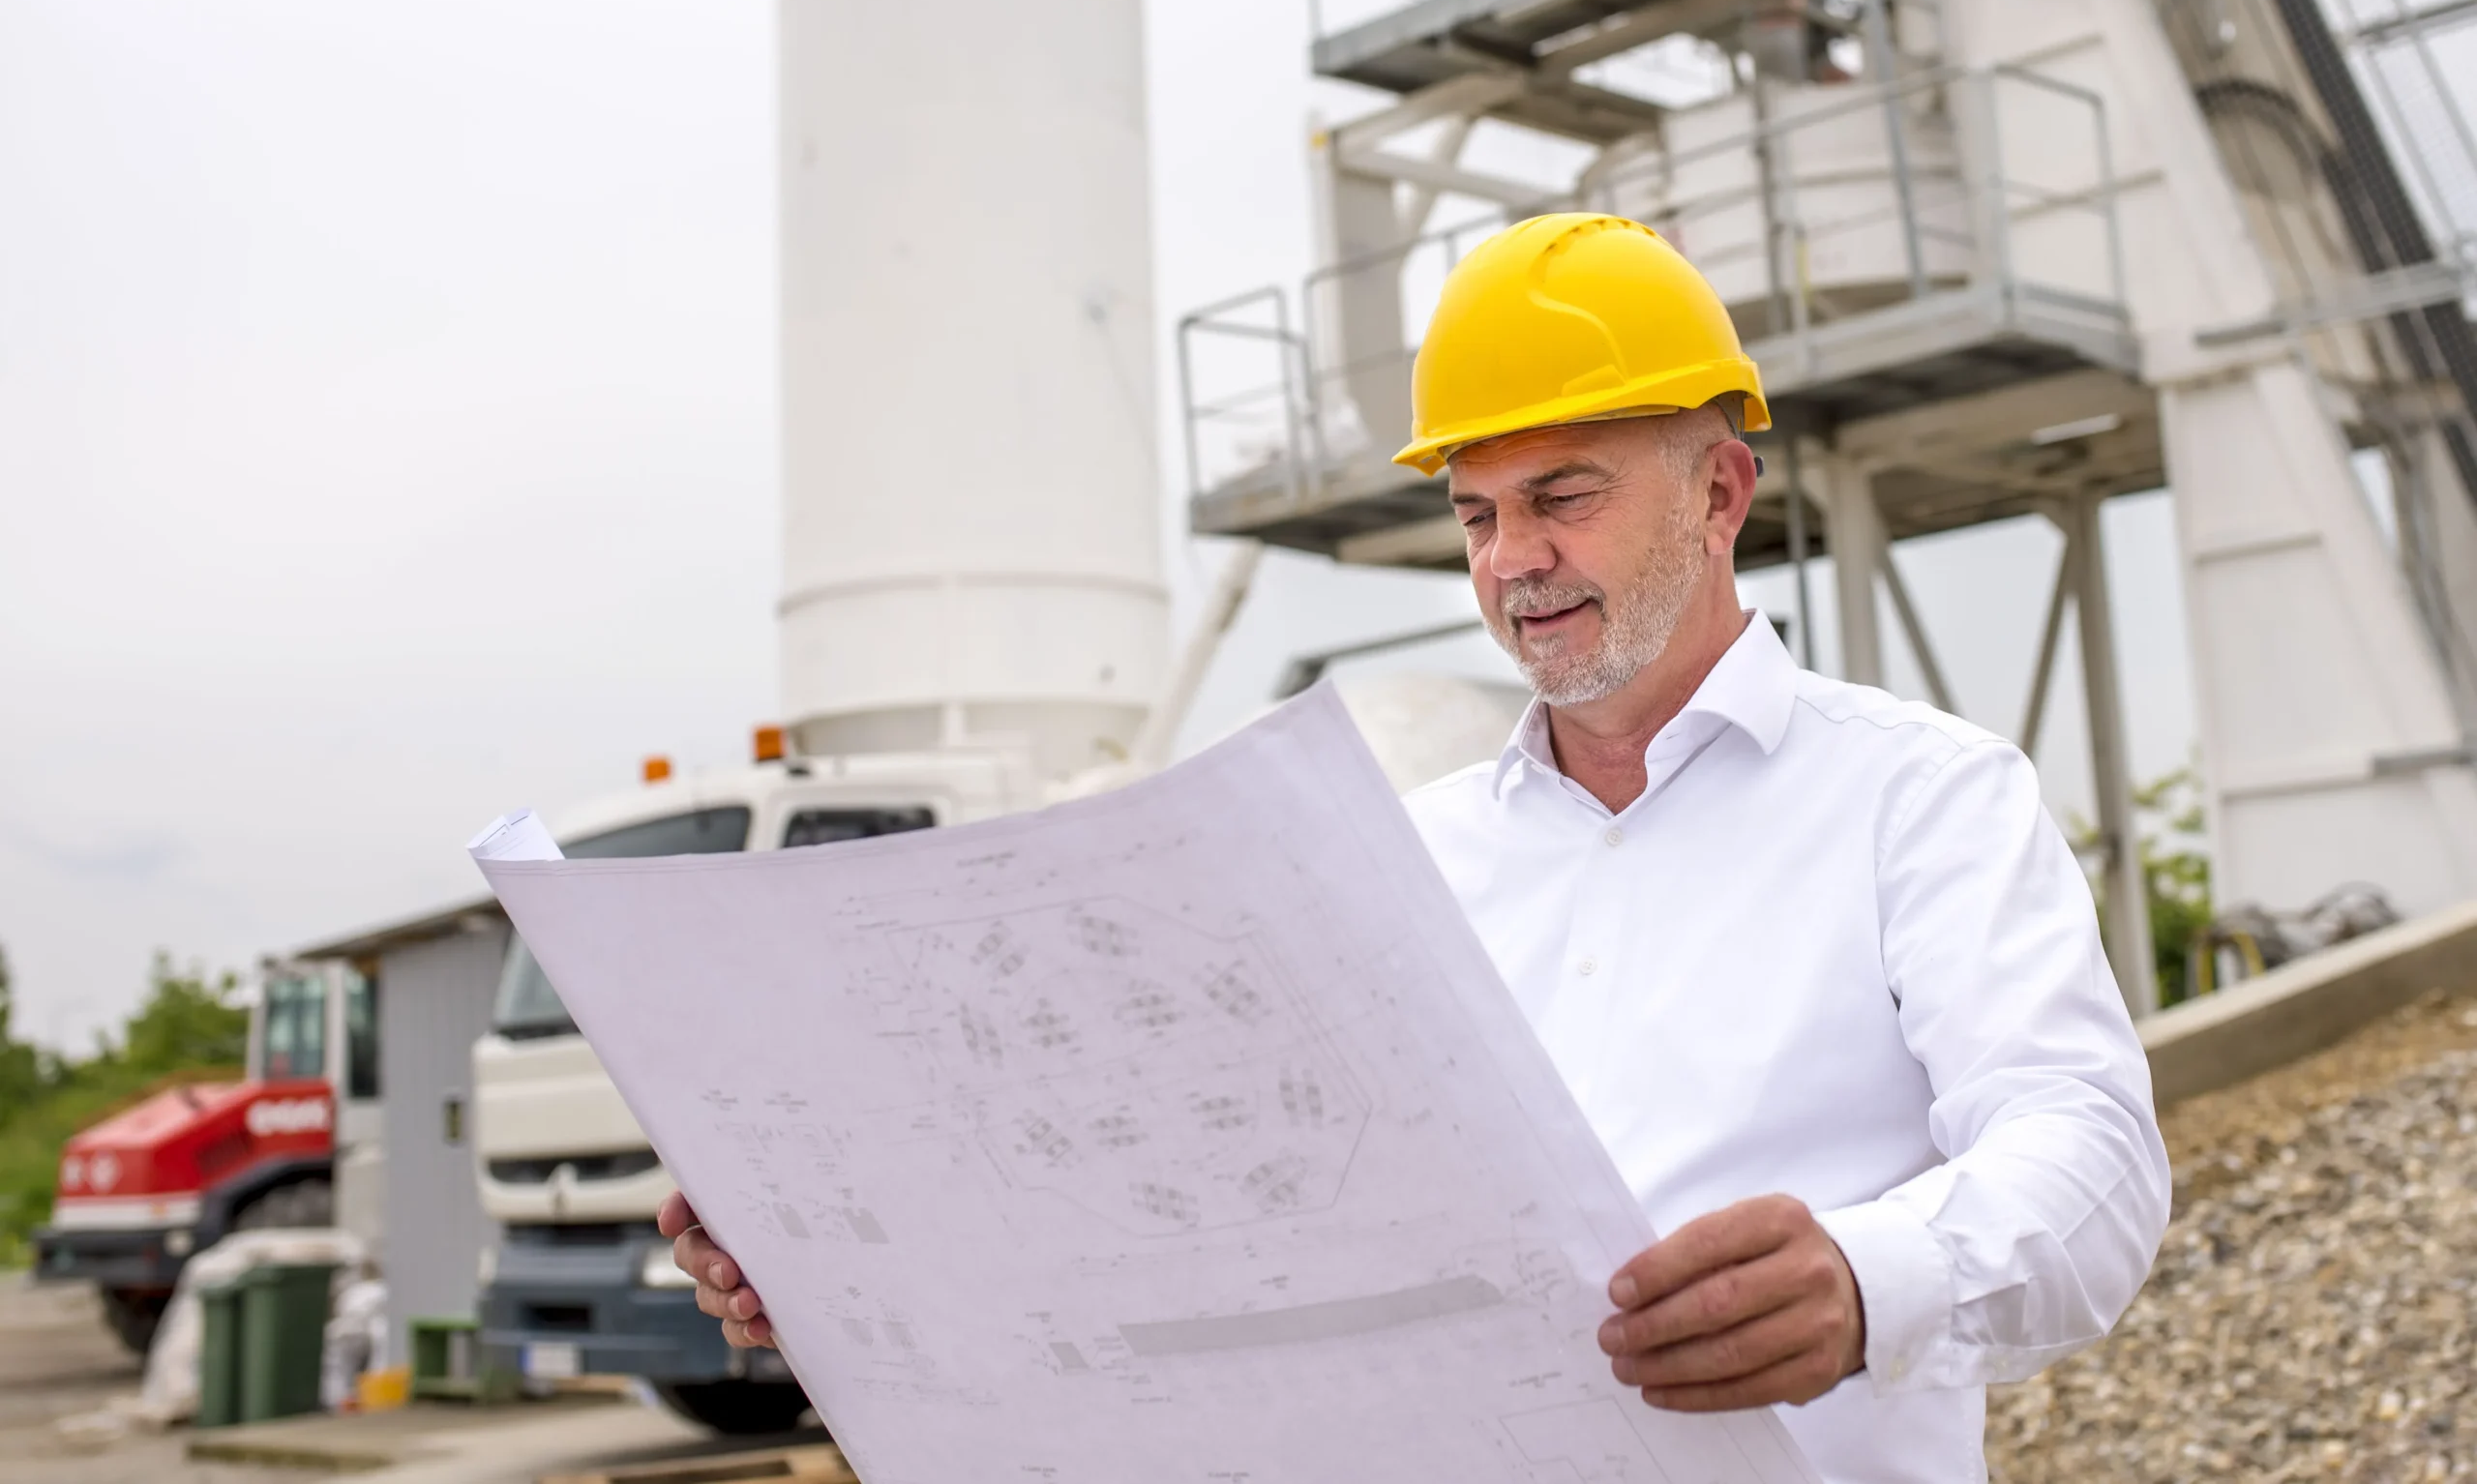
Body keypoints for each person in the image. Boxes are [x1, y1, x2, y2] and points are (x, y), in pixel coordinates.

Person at [660, 213, 2171, 1482]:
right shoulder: (1395, 860)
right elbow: (1199, 1223)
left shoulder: (1924, 802)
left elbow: (2089, 1164)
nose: (1514, 565)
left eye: (1563, 497)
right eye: (1476, 516)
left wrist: (1867, 1279)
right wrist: (853, 1273)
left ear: (1719, 491)